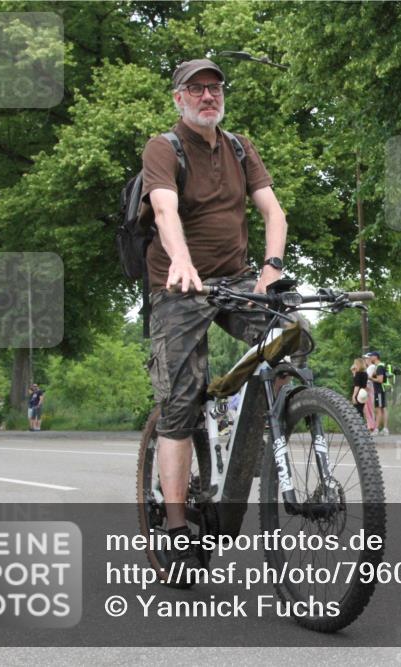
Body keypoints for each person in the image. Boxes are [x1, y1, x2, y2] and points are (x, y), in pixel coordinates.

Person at [141, 58, 290, 573]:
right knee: (180, 400)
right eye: (196, 88)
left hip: (236, 279)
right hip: (179, 286)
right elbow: (163, 209)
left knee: (289, 335)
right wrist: (180, 258)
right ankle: (177, 526)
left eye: (215, 88)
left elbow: (273, 211)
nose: (208, 95)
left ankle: (274, 423)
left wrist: (272, 269)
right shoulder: (165, 147)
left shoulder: (240, 146)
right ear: (178, 97)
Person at [364, 351, 389, 436]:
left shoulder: (379, 367)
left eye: (371, 356)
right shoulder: (380, 366)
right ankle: (384, 429)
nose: (370, 358)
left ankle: (377, 429)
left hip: (379, 390)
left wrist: (370, 378)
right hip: (381, 390)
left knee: (379, 410)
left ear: (376, 357)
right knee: (382, 409)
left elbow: (380, 380)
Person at [350, 358, 375, 430]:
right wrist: (353, 372)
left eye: (355, 364)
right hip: (363, 393)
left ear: (357, 364)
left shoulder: (358, 374)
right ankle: (362, 426)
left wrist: (354, 396)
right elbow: (363, 384)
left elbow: (357, 385)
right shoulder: (365, 374)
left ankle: (359, 426)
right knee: (360, 409)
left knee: (357, 410)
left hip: (358, 393)